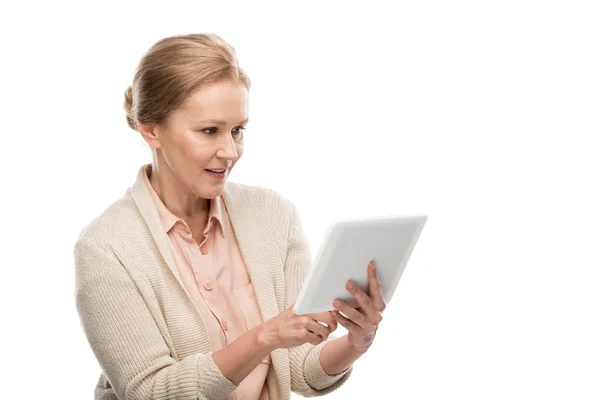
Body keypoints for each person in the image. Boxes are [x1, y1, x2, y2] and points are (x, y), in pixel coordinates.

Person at [74, 33, 386, 400]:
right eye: (209, 131)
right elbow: (151, 391)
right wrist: (264, 336)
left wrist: (357, 340)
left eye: (237, 130)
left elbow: (299, 369)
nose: (230, 151)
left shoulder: (274, 216)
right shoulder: (106, 247)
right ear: (151, 129)